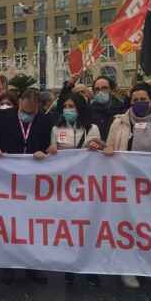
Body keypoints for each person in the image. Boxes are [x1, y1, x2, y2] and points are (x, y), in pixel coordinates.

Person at [104, 82, 151, 289]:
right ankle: (129, 269)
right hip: (127, 183)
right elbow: (110, 145)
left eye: (143, 99)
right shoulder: (119, 123)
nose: (139, 103)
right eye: (135, 100)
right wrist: (108, 149)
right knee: (128, 228)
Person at [0, 87, 53, 285]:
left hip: (33, 180)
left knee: (33, 224)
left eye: (32, 113)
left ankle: (33, 266)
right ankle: (9, 266)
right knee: (10, 223)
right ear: (20, 103)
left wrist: (47, 151)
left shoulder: (44, 120)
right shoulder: (2, 117)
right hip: (8, 180)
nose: (28, 115)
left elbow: (48, 145)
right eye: (25, 111)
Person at [46, 93, 103, 286]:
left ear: (80, 108)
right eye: (66, 106)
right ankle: (70, 267)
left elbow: (98, 152)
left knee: (88, 225)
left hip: (87, 184)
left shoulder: (92, 128)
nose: (68, 110)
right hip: (66, 185)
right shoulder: (56, 128)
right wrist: (51, 149)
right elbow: (53, 151)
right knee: (68, 227)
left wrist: (97, 146)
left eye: (72, 106)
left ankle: (90, 268)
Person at [90, 76, 129, 141]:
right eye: (97, 89)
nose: (100, 92)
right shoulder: (89, 110)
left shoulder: (122, 109)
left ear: (111, 90)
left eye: (104, 88)